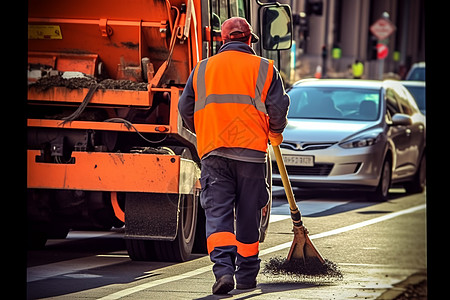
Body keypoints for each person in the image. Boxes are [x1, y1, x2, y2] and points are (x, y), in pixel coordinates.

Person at [178, 17, 290, 295]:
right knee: (249, 214)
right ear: (250, 40)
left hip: (214, 153)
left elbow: (185, 107)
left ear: (222, 40)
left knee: (218, 214)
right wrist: (275, 132)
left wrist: (204, 130)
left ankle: (224, 271)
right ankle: (248, 276)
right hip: (251, 155)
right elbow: (278, 107)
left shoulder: (203, 68)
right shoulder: (265, 68)